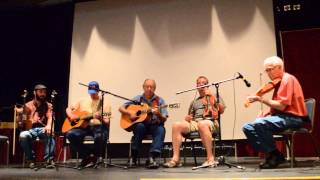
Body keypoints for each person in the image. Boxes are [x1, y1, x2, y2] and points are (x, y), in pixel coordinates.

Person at [242, 56, 308, 169]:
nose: (268, 73)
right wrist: (266, 114)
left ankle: (274, 156)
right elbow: (278, 106)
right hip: (282, 117)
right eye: (266, 70)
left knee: (259, 124)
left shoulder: (288, 80)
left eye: (270, 69)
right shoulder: (279, 83)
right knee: (247, 127)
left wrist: (260, 99)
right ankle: (275, 154)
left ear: (279, 67)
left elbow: (282, 106)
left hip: (293, 118)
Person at [163, 76, 225, 168]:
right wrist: (187, 118)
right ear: (196, 86)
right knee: (176, 125)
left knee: (202, 124)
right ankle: (176, 159)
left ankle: (210, 159)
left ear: (207, 85)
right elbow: (190, 117)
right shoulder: (194, 102)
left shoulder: (215, 96)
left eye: (203, 83)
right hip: (195, 122)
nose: (201, 84)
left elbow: (222, 110)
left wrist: (211, 95)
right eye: (199, 83)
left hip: (210, 121)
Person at [119, 79, 168, 169]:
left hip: (154, 126)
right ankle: (134, 156)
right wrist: (130, 113)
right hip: (141, 126)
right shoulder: (138, 99)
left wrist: (159, 114)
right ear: (143, 87)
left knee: (161, 129)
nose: (149, 89)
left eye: (151, 87)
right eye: (147, 86)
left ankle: (151, 157)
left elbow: (164, 118)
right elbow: (121, 108)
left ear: (155, 88)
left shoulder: (160, 101)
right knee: (139, 127)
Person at [65, 81, 111, 170]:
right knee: (70, 134)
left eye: (94, 93)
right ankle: (88, 156)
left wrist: (100, 118)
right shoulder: (82, 100)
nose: (92, 95)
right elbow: (68, 109)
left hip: (98, 126)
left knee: (100, 136)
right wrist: (71, 116)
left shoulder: (104, 103)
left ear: (98, 91)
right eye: (90, 93)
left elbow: (107, 121)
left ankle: (93, 156)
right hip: (83, 126)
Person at [19, 84, 55, 169]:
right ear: (34, 93)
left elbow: (50, 117)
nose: (43, 94)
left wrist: (49, 125)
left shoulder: (48, 105)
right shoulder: (27, 105)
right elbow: (22, 120)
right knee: (23, 135)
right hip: (31, 129)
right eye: (40, 92)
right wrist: (20, 118)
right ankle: (31, 160)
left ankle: (48, 160)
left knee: (49, 134)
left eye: (44, 92)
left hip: (43, 128)